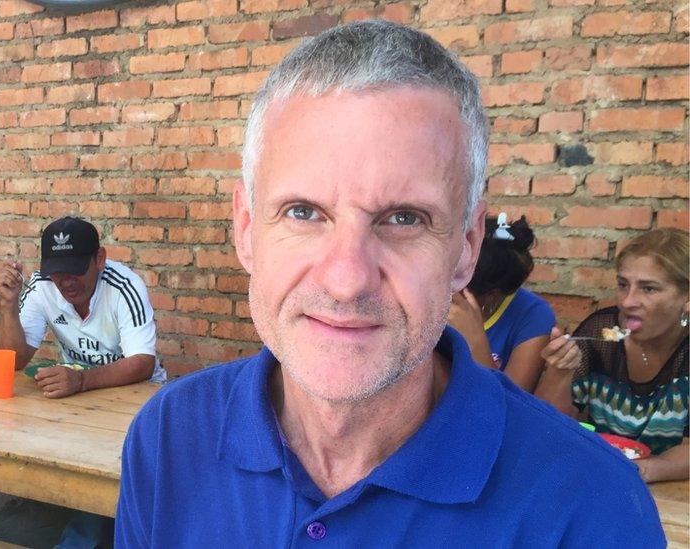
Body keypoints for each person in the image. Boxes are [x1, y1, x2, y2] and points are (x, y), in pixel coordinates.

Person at [115, 20, 663, 547]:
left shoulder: (592, 506)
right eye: (304, 212)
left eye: (404, 219)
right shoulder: (170, 436)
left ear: (466, 249)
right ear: (246, 231)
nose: (347, 279)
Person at [0, 215, 163, 548]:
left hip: (137, 395)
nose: (66, 281)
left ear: (99, 259)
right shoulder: (43, 286)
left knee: (115, 461)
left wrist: (81, 381)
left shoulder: (124, 286)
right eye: (57, 271)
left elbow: (143, 362)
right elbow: (16, 358)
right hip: (81, 396)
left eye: (76, 269)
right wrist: (8, 306)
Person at [536, 228, 688, 483]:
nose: (627, 302)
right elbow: (546, 425)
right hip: (600, 481)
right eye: (623, 285)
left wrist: (639, 471)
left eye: (649, 289)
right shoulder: (598, 333)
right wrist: (559, 372)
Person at [447, 214, 555, 392]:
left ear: (492, 294)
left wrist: (476, 342)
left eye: (455, 283)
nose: (447, 290)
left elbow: (512, 404)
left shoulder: (534, 316)